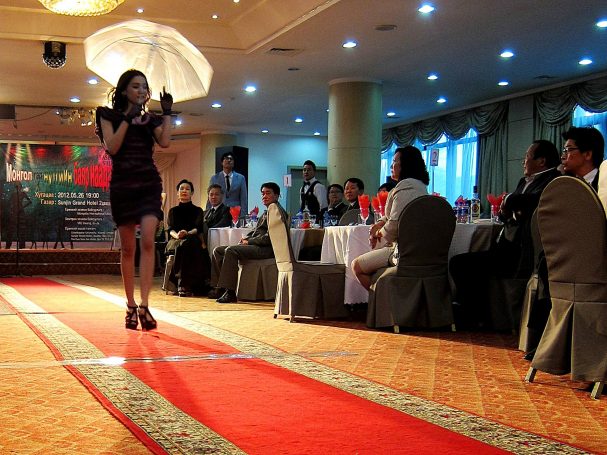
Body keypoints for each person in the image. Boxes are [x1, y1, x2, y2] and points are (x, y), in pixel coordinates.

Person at [450, 139, 561, 329]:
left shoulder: (552, 180)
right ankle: (475, 313)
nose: (523, 161)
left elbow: (529, 202)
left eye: (527, 157)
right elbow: (506, 212)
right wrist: (510, 207)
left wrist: (510, 201)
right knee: (463, 263)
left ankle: (472, 315)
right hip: (507, 243)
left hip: (522, 250)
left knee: (461, 264)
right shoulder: (524, 181)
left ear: (541, 161)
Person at [95, 69, 173, 331]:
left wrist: (167, 113)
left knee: (148, 240)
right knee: (128, 248)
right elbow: (112, 147)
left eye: (144, 87)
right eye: (136, 86)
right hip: (123, 185)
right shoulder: (107, 115)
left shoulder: (150, 119)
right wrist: (128, 119)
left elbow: (165, 142)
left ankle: (145, 304)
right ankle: (130, 305)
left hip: (149, 183)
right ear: (124, 90)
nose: (141, 91)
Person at [352, 146, 429, 290]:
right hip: (417, 248)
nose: (391, 166)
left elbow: (394, 225)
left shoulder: (405, 187)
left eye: (394, 161)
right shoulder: (420, 186)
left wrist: (377, 235)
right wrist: (379, 223)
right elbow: (395, 214)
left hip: (403, 251)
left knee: (356, 266)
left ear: (405, 164)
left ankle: (383, 300)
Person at [209, 182, 288, 303]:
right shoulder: (267, 211)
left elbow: (269, 238)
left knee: (231, 250)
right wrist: (246, 238)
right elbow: (258, 232)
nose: (264, 196)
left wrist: (249, 241)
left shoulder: (276, 211)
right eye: (262, 193)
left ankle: (230, 292)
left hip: (267, 249)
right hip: (258, 245)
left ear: (276, 196)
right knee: (218, 250)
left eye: (268, 193)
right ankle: (219, 287)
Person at [165, 179, 205, 297]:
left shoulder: (198, 210)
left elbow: (198, 228)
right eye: (181, 189)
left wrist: (187, 233)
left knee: (187, 243)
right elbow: (170, 229)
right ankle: (186, 284)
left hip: (191, 237)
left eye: (187, 189)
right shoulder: (173, 211)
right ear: (177, 193)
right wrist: (178, 235)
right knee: (183, 244)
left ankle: (181, 282)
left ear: (192, 193)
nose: (184, 191)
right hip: (175, 239)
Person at [561, 126, 604, 190]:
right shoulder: (566, 184)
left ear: (587, 154)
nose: (562, 157)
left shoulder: (603, 182)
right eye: (564, 150)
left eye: (569, 149)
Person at [5, 181, 31, 249]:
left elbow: (29, 201)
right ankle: (9, 246)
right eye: (17, 186)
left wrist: (22, 207)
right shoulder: (15, 194)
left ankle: (19, 247)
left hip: (18, 213)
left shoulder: (20, 194)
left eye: (18, 186)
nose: (18, 187)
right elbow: (9, 203)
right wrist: (21, 207)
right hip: (16, 213)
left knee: (20, 230)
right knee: (12, 230)